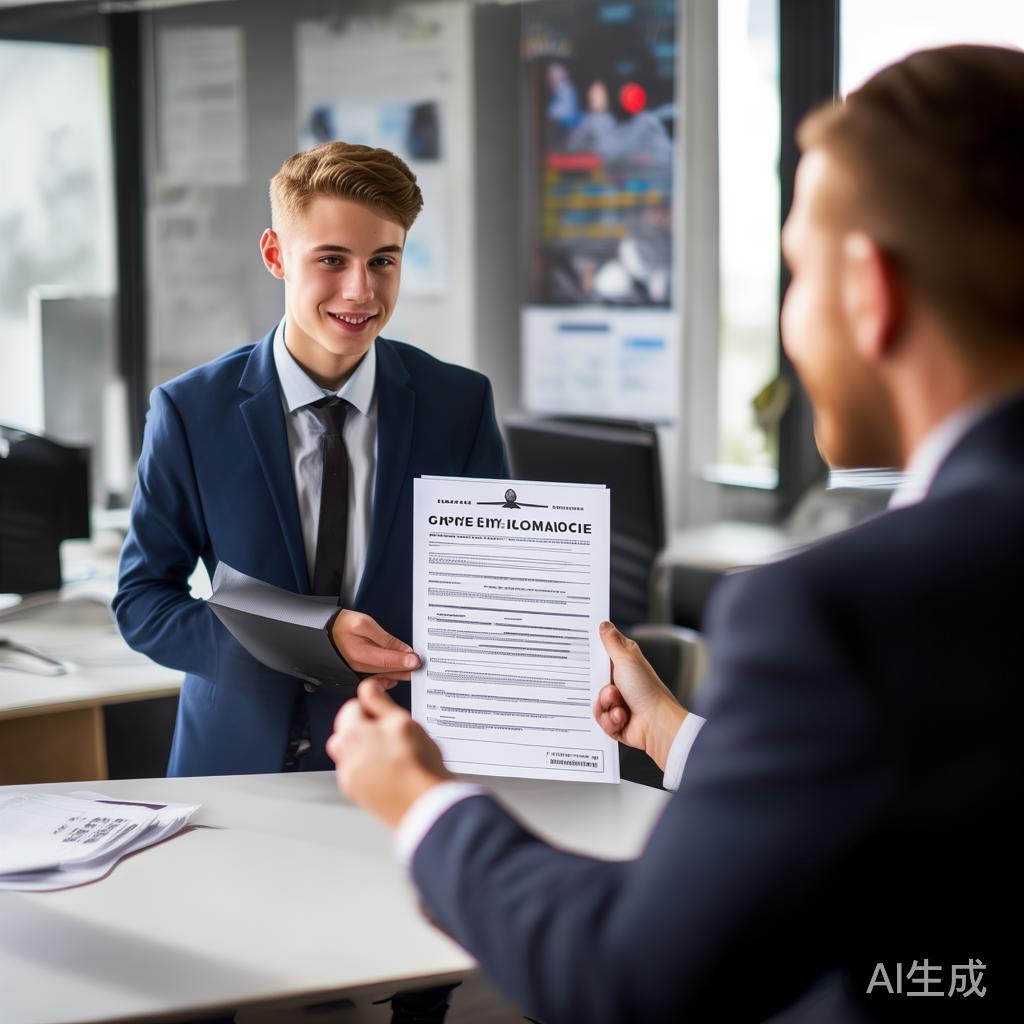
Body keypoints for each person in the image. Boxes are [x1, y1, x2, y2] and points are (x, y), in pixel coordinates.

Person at [326, 45, 1024, 1023]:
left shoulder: (842, 610)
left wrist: (421, 803)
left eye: (793, 269)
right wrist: (678, 737)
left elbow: (631, 974)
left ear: (870, 291)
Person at [114, 142, 508, 777]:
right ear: (276, 256)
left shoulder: (458, 405)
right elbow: (142, 602)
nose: (361, 290)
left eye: (384, 260)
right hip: (234, 765)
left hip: (406, 758)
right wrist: (305, 644)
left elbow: (496, 593)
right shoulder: (190, 412)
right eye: (332, 259)